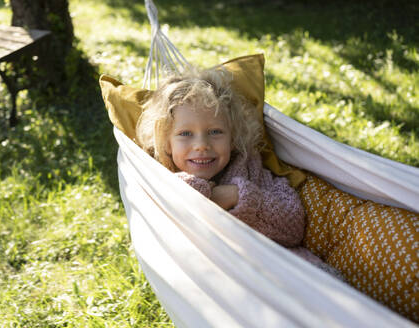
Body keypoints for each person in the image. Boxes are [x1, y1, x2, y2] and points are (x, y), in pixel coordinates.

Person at [136, 67, 343, 279]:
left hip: (288, 271)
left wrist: (236, 195)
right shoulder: (159, 181)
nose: (201, 145)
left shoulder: (252, 170)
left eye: (215, 132)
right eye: (185, 134)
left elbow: (292, 229)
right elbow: (170, 220)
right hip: (232, 284)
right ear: (166, 143)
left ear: (233, 138)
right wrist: (202, 191)